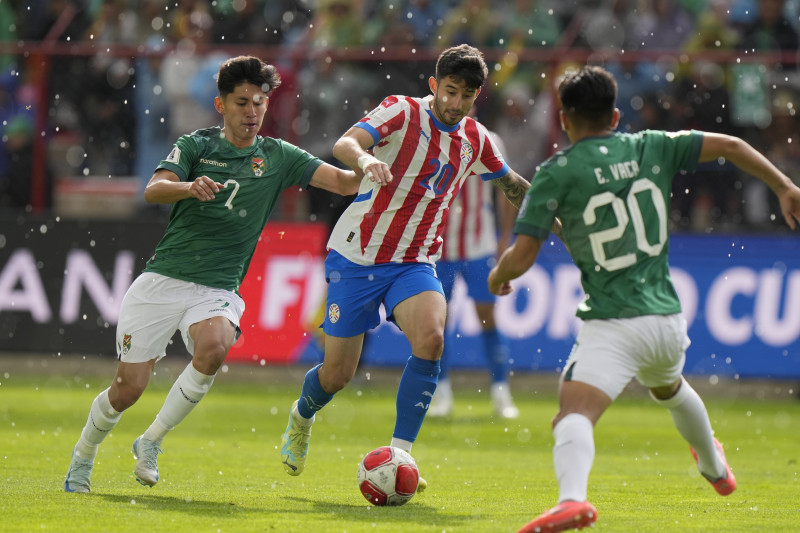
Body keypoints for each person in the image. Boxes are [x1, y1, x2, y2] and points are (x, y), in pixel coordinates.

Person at [487, 65, 800, 532]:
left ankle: (572, 500)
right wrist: (785, 186)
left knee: (573, 413)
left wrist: (497, 277)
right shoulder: (653, 145)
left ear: (565, 119)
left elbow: (523, 256)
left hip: (613, 322)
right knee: (669, 388)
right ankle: (714, 465)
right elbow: (733, 147)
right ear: (614, 116)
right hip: (667, 318)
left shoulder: (557, 173)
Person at [63, 55, 362, 493]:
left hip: (217, 288)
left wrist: (375, 164)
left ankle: (151, 441)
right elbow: (153, 189)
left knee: (215, 347)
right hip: (163, 281)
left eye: (259, 103)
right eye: (242, 102)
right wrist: (190, 186)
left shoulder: (278, 155)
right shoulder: (196, 146)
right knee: (127, 390)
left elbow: (343, 183)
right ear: (221, 105)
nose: (252, 112)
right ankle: (82, 458)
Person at [279, 44, 545, 488]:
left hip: (415, 259)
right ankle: (301, 418)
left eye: (465, 95)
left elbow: (512, 184)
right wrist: (366, 159)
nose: (454, 103)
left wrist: (553, 216)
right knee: (337, 374)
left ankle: (401, 457)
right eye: (449, 91)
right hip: (357, 255)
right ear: (433, 86)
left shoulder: (475, 138)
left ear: (477, 97)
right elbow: (346, 143)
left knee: (432, 337)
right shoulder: (400, 112)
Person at [428, 108, 519, 419]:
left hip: (479, 246)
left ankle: (500, 392)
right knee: (437, 326)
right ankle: (441, 393)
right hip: (440, 249)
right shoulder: (431, 138)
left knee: (488, 317)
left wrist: (505, 238)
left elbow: (507, 190)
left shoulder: (489, 140)